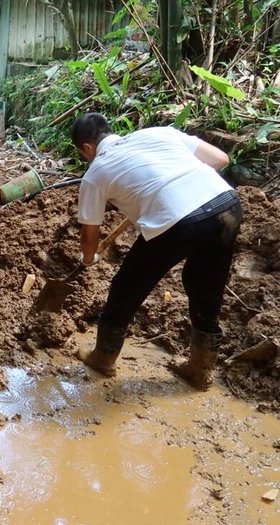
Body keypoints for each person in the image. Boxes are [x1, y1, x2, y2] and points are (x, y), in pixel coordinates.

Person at [71, 112, 242, 390]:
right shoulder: (158, 133)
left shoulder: (96, 172)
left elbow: (90, 233)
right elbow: (221, 159)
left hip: (176, 221)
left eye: (83, 155)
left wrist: (88, 259)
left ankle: (103, 357)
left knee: (127, 288)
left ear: (87, 148)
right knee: (207, 287)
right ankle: (200, 370)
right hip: (226, 204)